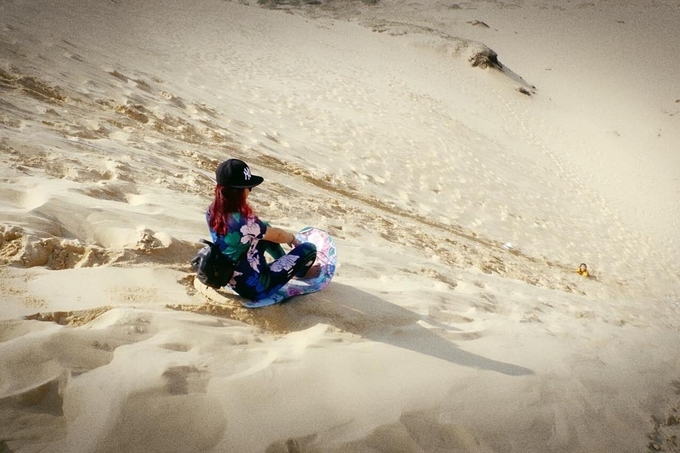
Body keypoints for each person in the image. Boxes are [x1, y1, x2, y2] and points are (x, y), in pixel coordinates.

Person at [206, 158, 318, 301]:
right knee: (309, 248)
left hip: (231, 277)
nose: (250, 191)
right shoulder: (245, 223)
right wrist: (292, 238)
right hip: (257, 288)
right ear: (238, 192)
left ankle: (287, 265)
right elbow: (277, 235)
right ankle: (301, 272)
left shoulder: (213, 210)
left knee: (264, 229)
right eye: (249, 187)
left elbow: (262, 232)